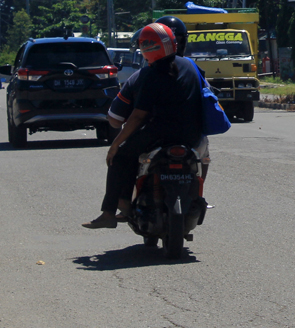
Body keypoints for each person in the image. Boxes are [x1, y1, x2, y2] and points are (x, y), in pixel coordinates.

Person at [83, 22, 204, 229]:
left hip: (160, 134)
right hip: (193, 135)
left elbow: (138, 117)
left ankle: (110, 212)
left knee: (121, 157)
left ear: (147, 49)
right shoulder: (191, 67)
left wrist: (115, 145)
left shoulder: (150, 74)